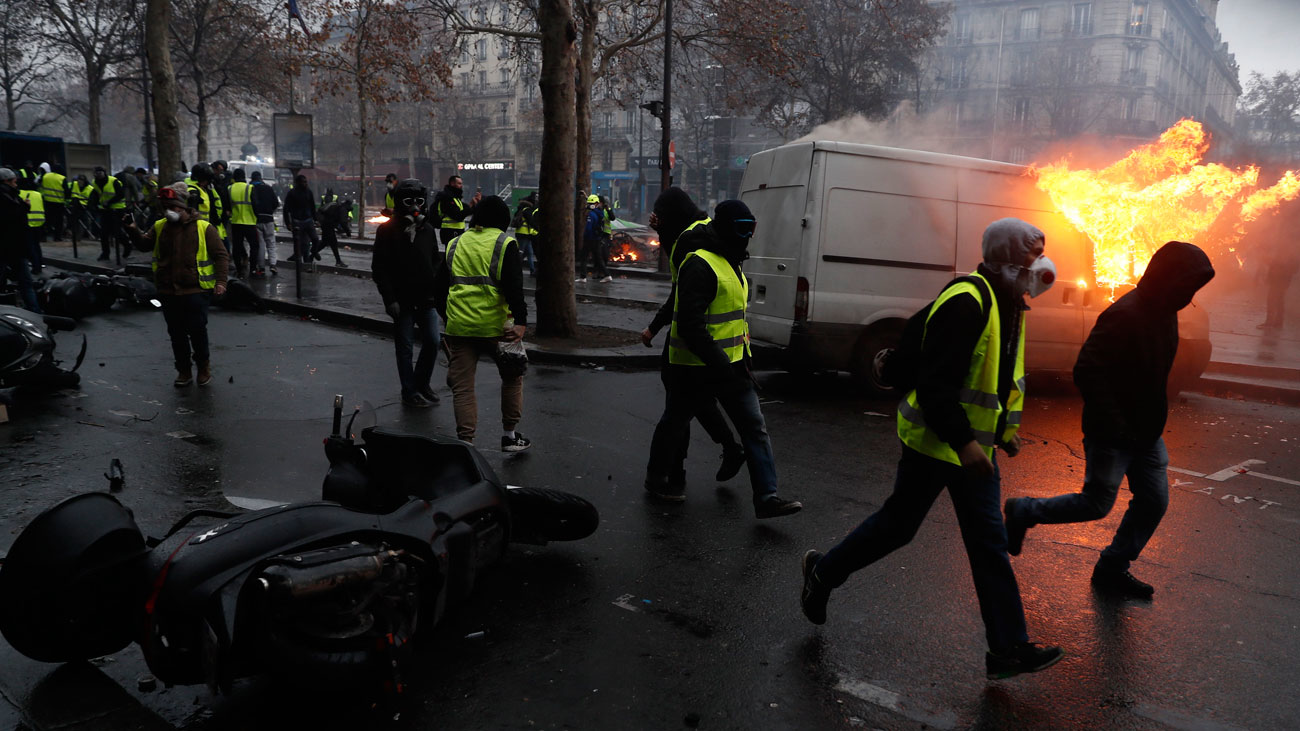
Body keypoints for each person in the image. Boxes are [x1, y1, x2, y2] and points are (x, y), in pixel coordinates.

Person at [800, 218, 1064, 680]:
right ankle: (823, 574)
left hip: (973, 451)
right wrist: (965, 444)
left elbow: (996, 378)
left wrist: (1003, 432)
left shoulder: (1009, 303)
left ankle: (1007, 648)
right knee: (898, 527)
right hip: (938, 443)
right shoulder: (967, 302)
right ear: (1003, 262)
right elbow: (938, 384)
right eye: (1029, 260)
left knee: (988, 546)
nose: (1038, 269)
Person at [1004, 242, 1215, 600]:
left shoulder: (1166, 311)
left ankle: (1112, 567)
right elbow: (1087, 370)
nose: (1191, 295)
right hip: (1113, 433)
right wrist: (1117, 423)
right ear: (1170, 279)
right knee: (1096, 504)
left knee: (1153, 501)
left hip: (1146, 434)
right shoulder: (1125, 313)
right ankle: (1023, 510)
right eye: (1188, 286)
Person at [644, 200, 801, 520]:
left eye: (751, 229)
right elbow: (689, 323)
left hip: (731, 366)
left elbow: (732, 321)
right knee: (674, 424)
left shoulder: (731, 262)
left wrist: (740, 359)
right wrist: (720, 363)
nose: (748, 237)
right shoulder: (699, 264)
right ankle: (656, 479)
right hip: (694, 369)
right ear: (728, 228)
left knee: (754, 428)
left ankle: (767, 497)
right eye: (743, 229)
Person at [642, 187, 744, 493]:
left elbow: (681, 294)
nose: (657, 220)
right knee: (690, 401)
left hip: (695, 340)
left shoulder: (687, 241)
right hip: (714, 341)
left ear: (671, 215)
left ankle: (667, 475)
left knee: (677, 410)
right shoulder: (699, 231)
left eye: (661, 215)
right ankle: (718, 453)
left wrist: (656, 326)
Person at [433, 195, 530, 451]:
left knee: (463, 389)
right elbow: (514, 287)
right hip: (499, 328)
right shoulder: (504, 243)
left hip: (460, 328)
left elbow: (439, 289)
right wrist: (521, 321)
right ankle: (510, 436)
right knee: (512, 378)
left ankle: (467, 444)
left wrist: (448, 318)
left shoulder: (455, 243)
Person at [124, 182, 229, 386]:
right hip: (168, 291)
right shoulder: (160, 226)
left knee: (198, 332)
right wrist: (133, 229)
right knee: (176, 335)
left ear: (184, 207)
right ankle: (183, 371)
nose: (169, 212)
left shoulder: (204, 228)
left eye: (174, 207)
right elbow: (144, 245)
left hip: (195, 291)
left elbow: (221, 256)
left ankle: (203, 368)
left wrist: (221, 282)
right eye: (166, 208)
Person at [373, 179, 443, 408]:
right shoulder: (386, 231)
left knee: (433, 341)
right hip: (401, 300)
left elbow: (435, 259)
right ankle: (409, 391)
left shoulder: (428, 229)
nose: (416, 206)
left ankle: (421, 383)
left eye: (419, 201)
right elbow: (379, 268)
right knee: (404, 348)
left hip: (426, 299)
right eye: (410, 201)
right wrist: (389, 298)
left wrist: (434, 286)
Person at [0, 168, 41, 312]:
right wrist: (24, 207)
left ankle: (34, 311)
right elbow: (9, 219)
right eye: (14, 181)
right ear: (6, 181)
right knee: (25, 283)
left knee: (25, 283)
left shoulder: (12, 196)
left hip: (16, 247)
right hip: (10, 247)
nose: (16, 184)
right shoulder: (6, 198)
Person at [227, 168, 259, 278]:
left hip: (235, 222)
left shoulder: (230, 188)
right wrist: (257, 217)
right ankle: (253, 269)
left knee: (237, 247)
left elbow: (227, 206)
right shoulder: (249, 187)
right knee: (254, 246)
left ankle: (239, 270)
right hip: (249, 222)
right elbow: (255, 205)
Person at [92, 166, 128, 261]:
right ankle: (105, 254)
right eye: (96, 173)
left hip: (117, 209)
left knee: (116, 232)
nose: (98, 175)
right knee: (104, 233)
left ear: (104, 173)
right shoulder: (95, 183)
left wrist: (109, 202)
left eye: (100, 173)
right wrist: (94, 205)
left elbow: (121, 194)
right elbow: (95, 194)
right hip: (105, 210)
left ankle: (127, 246)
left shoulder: (113, 181)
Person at [434, 175, 481, 248]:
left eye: (461, 183)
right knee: (450, 255)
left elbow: (466, 210)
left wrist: (474, 204)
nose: (461, 186)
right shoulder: (447, 198)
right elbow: (458, 215)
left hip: (457, 231)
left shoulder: (456, 198)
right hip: (450, 232)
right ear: (452, 183)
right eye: (459, 183)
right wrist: (471, 205)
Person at [282, 174, 319, 263]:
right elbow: (286, 209)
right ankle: (303, 261)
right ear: (298, 183)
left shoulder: (308, 192)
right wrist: (288, 223)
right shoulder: (292, 193)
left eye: (306, 182)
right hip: (297, 220)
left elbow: (312, 206)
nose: (305, 184)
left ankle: (312, 252)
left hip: (308, 219)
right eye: (303, 182)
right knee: (300, 242)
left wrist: (316, 219)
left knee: (315, 239)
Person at [250, 171, 279, 276]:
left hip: (256, 220)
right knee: (271, 243)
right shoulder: (268, 188)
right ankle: (273, 265)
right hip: (269, 219)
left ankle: (261, 267)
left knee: (261, 245)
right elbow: (276, 203)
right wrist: (270, 211)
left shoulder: (251, 189)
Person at [577, 194, 612, 283]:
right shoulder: (600, 213)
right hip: (596, 238)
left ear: (595, 204)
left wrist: (585, 236)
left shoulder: (591, 214)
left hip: (590, 239)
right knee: (598, 258)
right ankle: (607, 275)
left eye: (590, 203)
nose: (588, 205)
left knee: (584, 257)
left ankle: (583, 277)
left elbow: (588, 228)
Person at [16, 177, 45, 273]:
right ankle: (40, 264)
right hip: (39, 221)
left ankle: (36, 267)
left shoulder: (20, 193)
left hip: (28, 222)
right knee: (37, 245)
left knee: (30, 246)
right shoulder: (38, 194)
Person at [314, 195, 351, 267]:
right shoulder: (343, 209)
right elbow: (342, 222)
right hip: (328, 226)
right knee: (333, 244)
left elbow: (335, 220)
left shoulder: (338, 207)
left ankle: (311, 255)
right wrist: (347, 232)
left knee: (325, 243)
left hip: (326, 225)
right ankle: (338, 261)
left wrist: (339, 229)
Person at [511, 191, 539, 277]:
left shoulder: (521, 209)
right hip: (524, 234)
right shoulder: (527, 211)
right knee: (521, 252)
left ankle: (532, 270)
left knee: (528, 252)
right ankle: (514, 269)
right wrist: (537, 228)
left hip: (522, 234)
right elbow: (531, 221)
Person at [39, 163, 69, 241]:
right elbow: (67, 191)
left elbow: (39, 184)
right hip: (59, 203)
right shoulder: (62, 178)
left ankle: (43, 237)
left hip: (47, 201)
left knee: (47, 220)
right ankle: (57, 237)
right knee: (58, 222)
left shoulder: (45, 176)